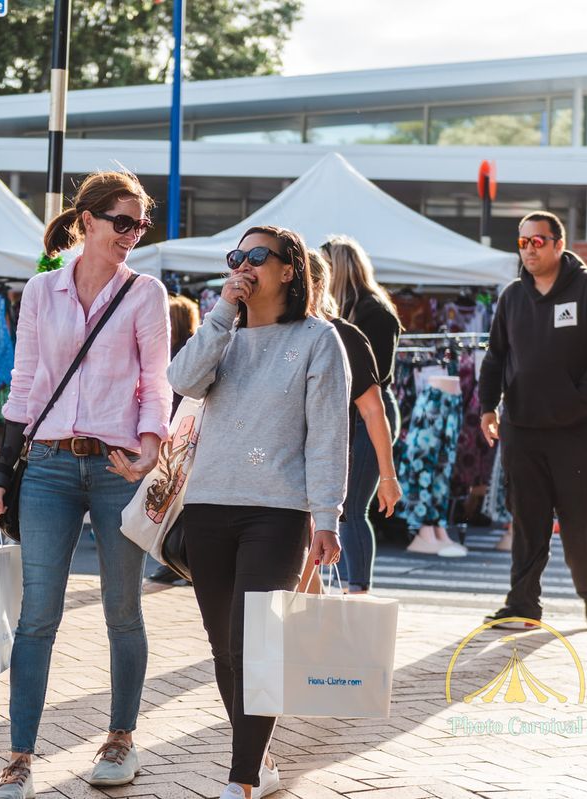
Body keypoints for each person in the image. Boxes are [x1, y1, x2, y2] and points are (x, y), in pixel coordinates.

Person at [0, 170, 171, 797]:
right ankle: (19, 758)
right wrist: (2, 467)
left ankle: (120, 739)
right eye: (123, 222)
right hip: (52, 466)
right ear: (86, 220)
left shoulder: (145, 294)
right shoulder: (41, 290)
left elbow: (155, 382)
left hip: (119, 469)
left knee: (123, 611)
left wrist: (147, 451)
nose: (132, 235)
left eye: (140, 225)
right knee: (37, 616)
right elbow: (27, 379)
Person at [168, 225, 349, 799]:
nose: (244, 265)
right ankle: (261, 759)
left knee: (257, 644)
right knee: (225, 647)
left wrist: (327, 516)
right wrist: (221, 311)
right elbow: (181, 381)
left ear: (290, 269)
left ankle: (242, 777)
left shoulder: (319, 339)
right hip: (206, 505)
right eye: (236, 256)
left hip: (276, 511)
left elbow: (327, 436)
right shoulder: (224, 332)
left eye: (257, 256)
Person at [478, 211, 587, 631]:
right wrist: (488, 407)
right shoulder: (512, 296)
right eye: (522, 242)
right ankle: (523, 603)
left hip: (577, 429)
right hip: (522, 427)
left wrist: (580, 398)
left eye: (537, 241)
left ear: (559, 244)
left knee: (581, 514)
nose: (528, 249)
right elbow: (496, 357)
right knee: (527, 518)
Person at [297, 248, 401, 594]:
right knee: (301, 546)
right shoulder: (267, 332)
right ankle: (309, 623)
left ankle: (354, 595)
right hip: (284, 462)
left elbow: (374, 409)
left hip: (331, 450)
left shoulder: (343, 334)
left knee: (347, 515)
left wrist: (388, 476)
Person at [319, 237, 410, 578]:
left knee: (353, 509)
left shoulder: (374, 311)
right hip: (355, 414)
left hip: (371, 412)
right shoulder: (348, 310)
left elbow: (377, 376)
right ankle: (347, 589)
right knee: (343, 509)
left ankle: (356, 591)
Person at [148, 292, 201, 585]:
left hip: (182, 437)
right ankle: (177, 560)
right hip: (187, 437)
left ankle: (175, 560)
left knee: (176, 502)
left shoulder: (181, 356)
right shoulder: (189, 352)